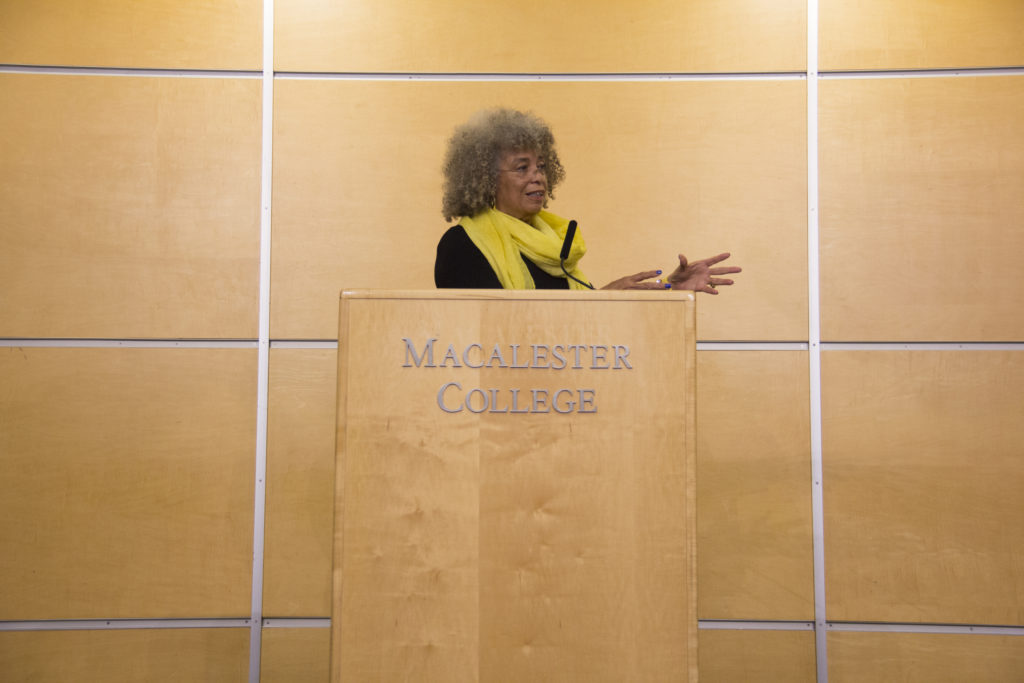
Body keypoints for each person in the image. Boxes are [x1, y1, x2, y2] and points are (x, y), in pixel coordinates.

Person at [434, 108, 740, 292]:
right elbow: (487, 330)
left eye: (541, 166)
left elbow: (590, 326)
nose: (537, 176)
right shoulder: (462, 245)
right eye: (522, 167)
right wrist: (605, 297)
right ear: (485, 178)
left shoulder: (555, 245)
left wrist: (668, 286)